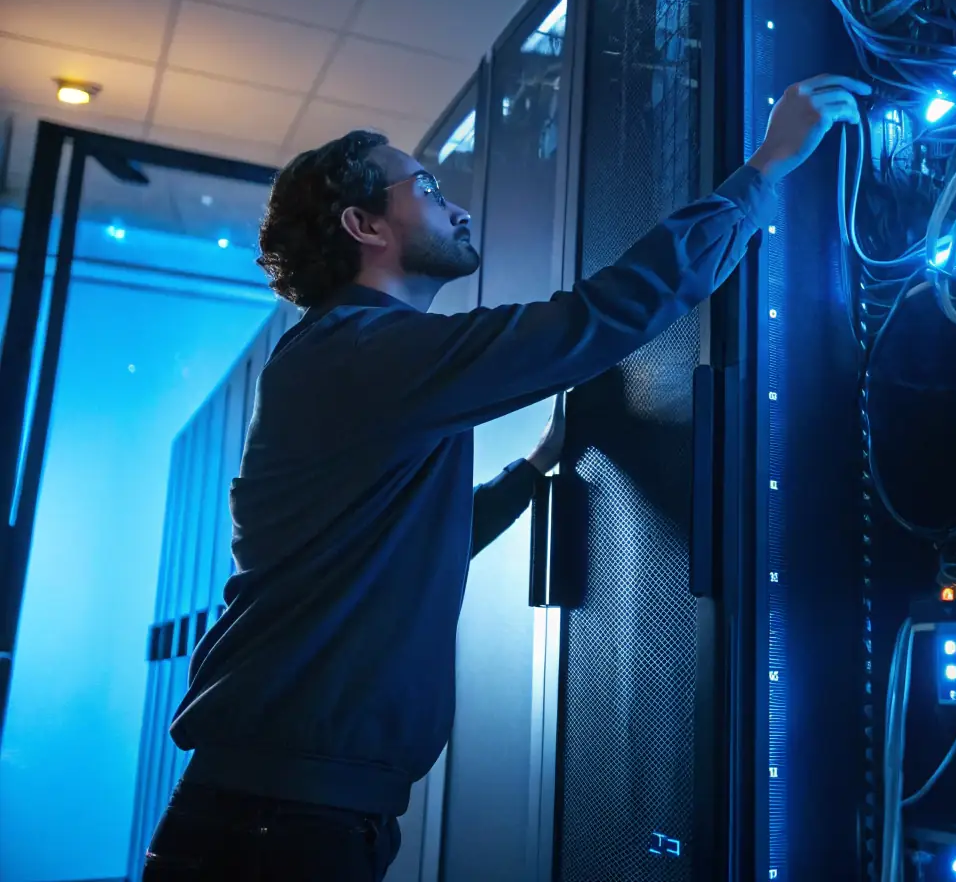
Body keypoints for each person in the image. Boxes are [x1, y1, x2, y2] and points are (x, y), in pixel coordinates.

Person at [142, 73, 870, 880]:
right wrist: (763, 170)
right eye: (424, 186)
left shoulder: (355, 363)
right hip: (278, 826)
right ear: (363, 224)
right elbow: (594, 319)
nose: (454, 206)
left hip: (286, 812)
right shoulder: (361, 355)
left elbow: (408, 544)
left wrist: (532, 469)